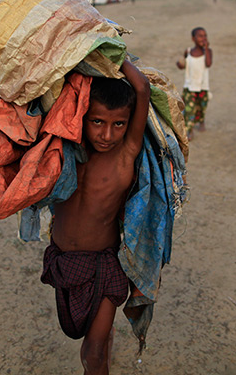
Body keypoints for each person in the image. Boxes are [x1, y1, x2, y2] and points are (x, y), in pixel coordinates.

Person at [40, 58, 150, 375]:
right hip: (62, 259)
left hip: (104, 262)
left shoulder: (126, 152)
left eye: (118, 124)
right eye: (97, 121)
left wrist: (104, 45)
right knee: (80, 331)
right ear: (82, 118)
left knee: (93, 350)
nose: (106, 134)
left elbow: (140, 87)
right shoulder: (65, 146)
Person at [176, 27, 212, 139]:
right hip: (190, 87)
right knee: (189, 110)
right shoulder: (188, 52)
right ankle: (189, 130)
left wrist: (206, 49)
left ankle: (201, 121)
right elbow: (183, 65)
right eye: (200, 36)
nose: (203, 38)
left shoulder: (208, 52)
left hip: (203, 87)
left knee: (201, 108)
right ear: (193, 38)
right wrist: (180, 64)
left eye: (205, 36)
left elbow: (208, 64)